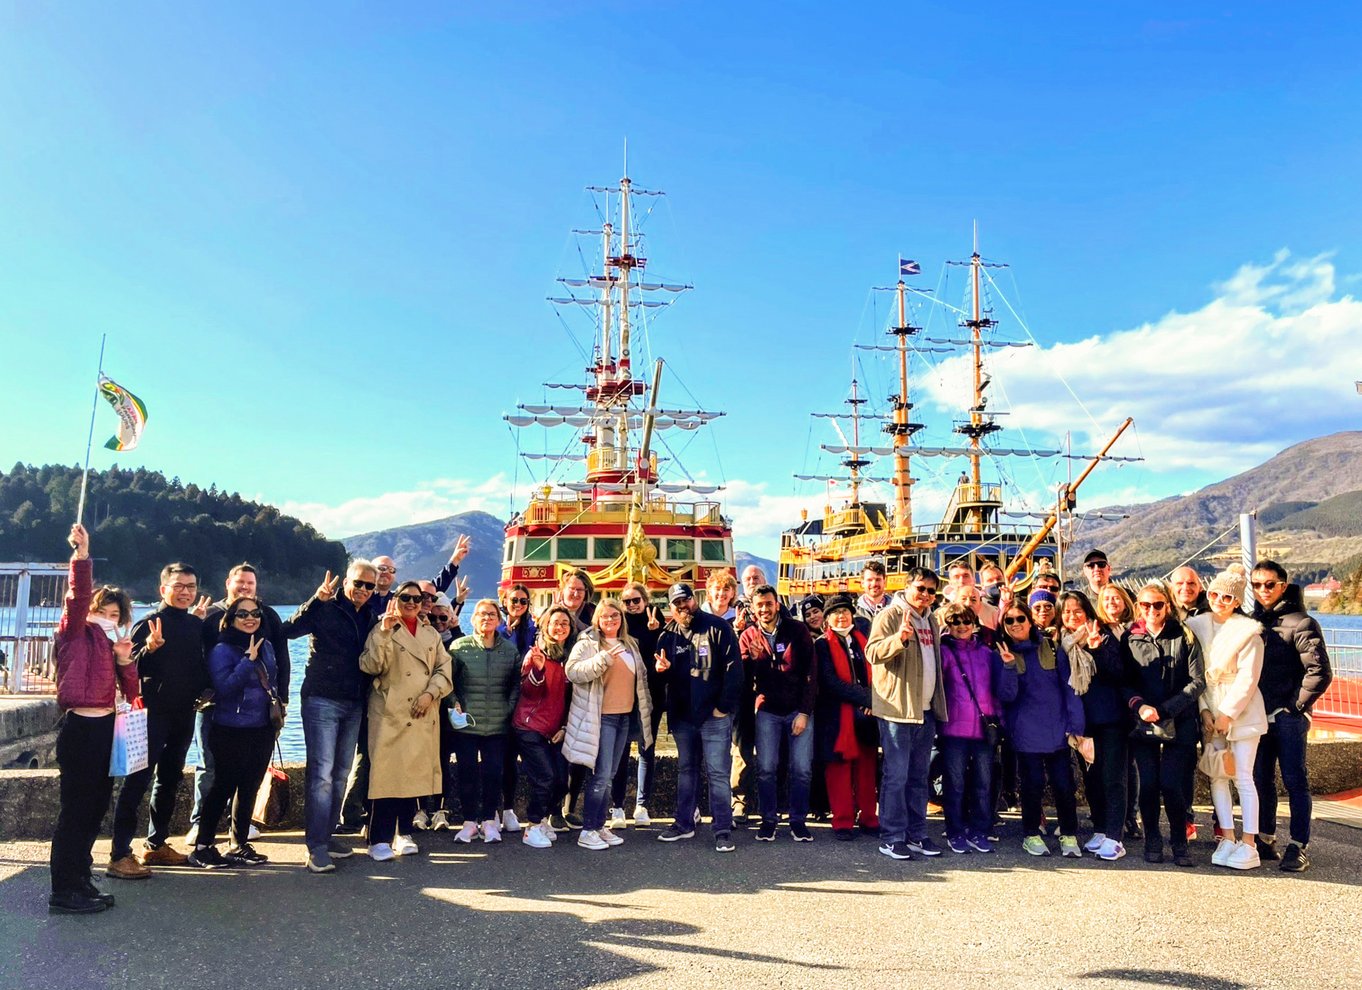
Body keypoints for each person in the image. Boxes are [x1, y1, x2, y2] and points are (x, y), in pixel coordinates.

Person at [49, 523, 140, 914]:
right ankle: (63, 890)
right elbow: (76, 595)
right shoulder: (74, 632)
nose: (105, 616)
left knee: (95, 806)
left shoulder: (110, 643)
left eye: (114, 613)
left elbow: (133, 694)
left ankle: (80, 877)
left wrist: (125, 660)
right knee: (75, 810)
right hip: (80, 728)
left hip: (105, 728)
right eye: (100, 610)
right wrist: (82, 556)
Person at [109, 562, 209, 874]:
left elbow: (197, 666)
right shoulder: (149, 624)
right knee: (138, 781)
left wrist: (208, 691)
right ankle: (119, 854)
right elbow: (128, 670)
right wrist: (149, 649)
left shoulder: (194, 625)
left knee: (169, 779)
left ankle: (156, 845)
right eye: (179, 586)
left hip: (183, 713)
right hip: (151, 714)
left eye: (191, 586)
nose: (186, 592)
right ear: (162, 589)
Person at [284, 561, 379, 874]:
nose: (363, 590)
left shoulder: (369, 614)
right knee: (321, 775)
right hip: (321, 698)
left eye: (370, 585)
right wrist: (314, 601)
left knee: (340, 773)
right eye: (358, 583)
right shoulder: (325, 607)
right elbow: (288, 630)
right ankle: (316, 847)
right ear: (345, 581)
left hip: (354, 701)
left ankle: (327, 835)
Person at [188, 563, 290, 847]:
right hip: (224, 719)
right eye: (242, 614)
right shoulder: (218, 636)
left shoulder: (266, 638)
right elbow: (223, 685)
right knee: (215, 776)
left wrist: (281, 701)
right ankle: (202, 838)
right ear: (228, 584)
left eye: (254, 613)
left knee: (249, 785)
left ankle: (239, 842)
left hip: (259, 723)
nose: (250, 618)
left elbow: (279, 667)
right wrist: (247, 660)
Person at [356, 581, 452, 861]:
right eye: (406, 597)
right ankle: (378, 838)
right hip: (391, 713)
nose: (411, 602)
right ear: (396, 599)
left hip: (422, 710)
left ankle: (404, 832)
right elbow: (370, 665)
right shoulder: (382, 627)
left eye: (417, 598)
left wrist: (431, 693)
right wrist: (385, 633)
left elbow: (444, 668)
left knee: (413, 774)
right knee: (386, 777)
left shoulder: (430, 633)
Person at [1249, 559, 1333, 872]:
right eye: (1257, 585)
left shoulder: (1302, 622)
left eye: (1270, 584)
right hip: (1259, 715)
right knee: (1261, 779)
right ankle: (1265, 837)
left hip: (1288, 716)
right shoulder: (1255, 620)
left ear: (1283, 585)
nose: (1263, 590)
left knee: (1295, 780)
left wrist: (1295, 707)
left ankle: (1298, 845)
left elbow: (1319, 671)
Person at [1186, 565, 1266, 871]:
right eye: (1216, 593)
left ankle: (1249, 842)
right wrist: (1205, 709)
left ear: (1236, 600)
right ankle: (1228, 837)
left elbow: (1248, 679)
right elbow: (1198, 674)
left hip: (1242, 713)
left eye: (1227, 596)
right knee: (1218, 775)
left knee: (1243, 777)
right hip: (1211, 708)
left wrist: (1228, 713)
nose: (1220, 599)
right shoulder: (1198, 627)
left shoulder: (1249, 634)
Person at [654, 582, 743, 852]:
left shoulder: (718, 627)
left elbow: (734, 670)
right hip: (682, 717)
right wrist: (662, 671)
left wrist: (723, 707)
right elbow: (663, 679)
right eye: (677, 603)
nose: (683, 606)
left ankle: (723, 828)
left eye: (687, 600)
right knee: (686, 771)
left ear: (695, 599)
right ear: (671, 607)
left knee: (717, 772)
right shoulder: (667, 636)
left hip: (714, 715)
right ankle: (683, 824)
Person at [866, 566, 947, 861]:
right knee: (896, 776)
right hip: (897, 710)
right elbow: (872, 653)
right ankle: (891, 837)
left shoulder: (931, 620)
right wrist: (898, 640)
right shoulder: (889, 615)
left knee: (918, 777)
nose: (925, 595)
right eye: (920, 588)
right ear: (908, 586)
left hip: (925, 711)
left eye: (930, 591)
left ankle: (917, 834)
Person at [1123, 582, 1206, 866]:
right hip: (1143, 724)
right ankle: (1153, 839)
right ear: (1138, 607)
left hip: (1180, 721)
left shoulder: (1184, 635)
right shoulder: (1130, 639)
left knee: (1172, 785)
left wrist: (1165, 709)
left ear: (1167, 606)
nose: (1152, 610)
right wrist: (1139, 705)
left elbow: (1198, 682)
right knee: (1148, 785)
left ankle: (1179, 842)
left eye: (1157, 605)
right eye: (1145, 605)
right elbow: (1124, 682)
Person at [564, 599, 655, 850]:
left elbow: (641, 681)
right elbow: (572, 672)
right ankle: (588, 830)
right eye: (605, 616)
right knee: (601, 775)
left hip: (625, 716)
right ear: (598, 620)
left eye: (615, 616)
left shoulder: (630, 644)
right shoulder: (587, 642)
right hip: (601, 717)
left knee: (611, 775)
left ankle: (599, 824)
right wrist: (602, 659)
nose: (610, 620)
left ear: (621, 618)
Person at [997, 600, 1086, 858]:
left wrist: (1075, 724)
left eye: (1020, 619)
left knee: (1063, 784)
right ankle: (1031, 834)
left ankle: (1069, 834)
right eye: (1009, 620)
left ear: (1029, 620)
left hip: (1057, 727)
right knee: (1032, 784)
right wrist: (1008, 666)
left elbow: (1068, 688)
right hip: (1025, 731)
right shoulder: (1002, 652)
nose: (1015, 624)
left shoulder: (1050, 646)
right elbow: (1006, 696)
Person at [739, 585, 817, 842]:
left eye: (769, 604)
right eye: (759, 605)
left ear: (777, 604)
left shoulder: (797, 630)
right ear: (753, 607)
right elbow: (743, 679)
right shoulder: (748, 636)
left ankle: (797, 821)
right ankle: (768, 820)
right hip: (767, 710)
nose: (764, 609)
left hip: (798, 708)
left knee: (802, 768)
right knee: (766, 768)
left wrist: (805, 712)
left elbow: (811, 674)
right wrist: (749, 660)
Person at [1059, 590, 1128, 861]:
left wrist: (1097, 649)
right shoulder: (1064, 643)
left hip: (1111, 720)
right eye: (1067, 612)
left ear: (1088, 611)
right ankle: (1100, 829)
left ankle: (1115, 836)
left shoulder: (1104, 635)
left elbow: (1119, 672)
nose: (1073, 616)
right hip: (1083, 723)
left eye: (1078, 611)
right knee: (1093, 779)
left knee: (1114, 779)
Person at [448, 599, 521, 843]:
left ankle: (490, 820)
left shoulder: (509, 651)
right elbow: (448, 682)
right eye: (481, 614)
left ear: (499, 621)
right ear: (472, 619)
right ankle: (469, 821)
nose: (486, 618)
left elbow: (515, 686)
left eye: (491, 614)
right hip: (467, 724)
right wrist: (454, 702)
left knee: (493, 774)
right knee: (467, 773)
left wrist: (509, 708)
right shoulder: (459, 647)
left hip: (498, 725)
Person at [936, 602, 1002, 855]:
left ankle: (979, 830)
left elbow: (996, 689)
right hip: (953, 727)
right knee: (955, 783)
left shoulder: (986, 653)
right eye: (955, 622)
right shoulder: (944, 653)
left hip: (984, 726)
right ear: (948, 625)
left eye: (966, 621)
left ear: (974, 623)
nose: (961, 626)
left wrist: (998, 718)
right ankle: (955, 831)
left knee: (984, 783)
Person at [814, 594, 878, 841]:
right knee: (839, 770)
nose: (841, 616)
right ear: (828, 619)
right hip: (836, 717)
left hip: (866, 714)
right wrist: (867, 699)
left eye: (846, 612)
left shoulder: (863, 641)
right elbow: (830, 682)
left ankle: (869, 817)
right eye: (835, 613)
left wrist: (872, 702)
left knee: (867, 768)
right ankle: (842, 820)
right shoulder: (822, 644)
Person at [513, 606, 574, 848]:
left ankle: (544, 821)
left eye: (565, 624)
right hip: (530, 726)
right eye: (555, 623)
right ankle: (533, 825)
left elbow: (568, 698)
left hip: (554, 729)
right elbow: (529, 691)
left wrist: (565, 726)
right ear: (546, 626)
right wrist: (537, 669)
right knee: (546, 777)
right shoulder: (536, 654)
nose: (560, 627)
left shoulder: (566, 658)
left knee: (561, 781)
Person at [614, 581, 666, 826]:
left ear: (645, 600)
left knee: (647, 749)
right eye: (627, 601)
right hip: (623, 696)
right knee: (621, 751)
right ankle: (617, 807)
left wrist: (655, 631)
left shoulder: (657, 622)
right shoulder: (617, 626)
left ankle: (642, 806)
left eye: (636, 600)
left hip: (650, 695)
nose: (632, 605)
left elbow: (662, 658)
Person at [414, 595, 460, 831]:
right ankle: (421, 809)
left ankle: (441, 809)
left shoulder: (457, 640)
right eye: (433, 617)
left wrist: (456, 624)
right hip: (423, 707)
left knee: (442, 760)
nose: (439, 622)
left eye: (444, 617)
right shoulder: (421, 638)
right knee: (420, 759)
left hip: (446, 710)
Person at [854, 560, 891, 636]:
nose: (874, 584)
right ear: (862, 583)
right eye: (869, 580)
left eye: (878, 579)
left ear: (884, 582)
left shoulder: (896, 610)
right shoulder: (853, 613)